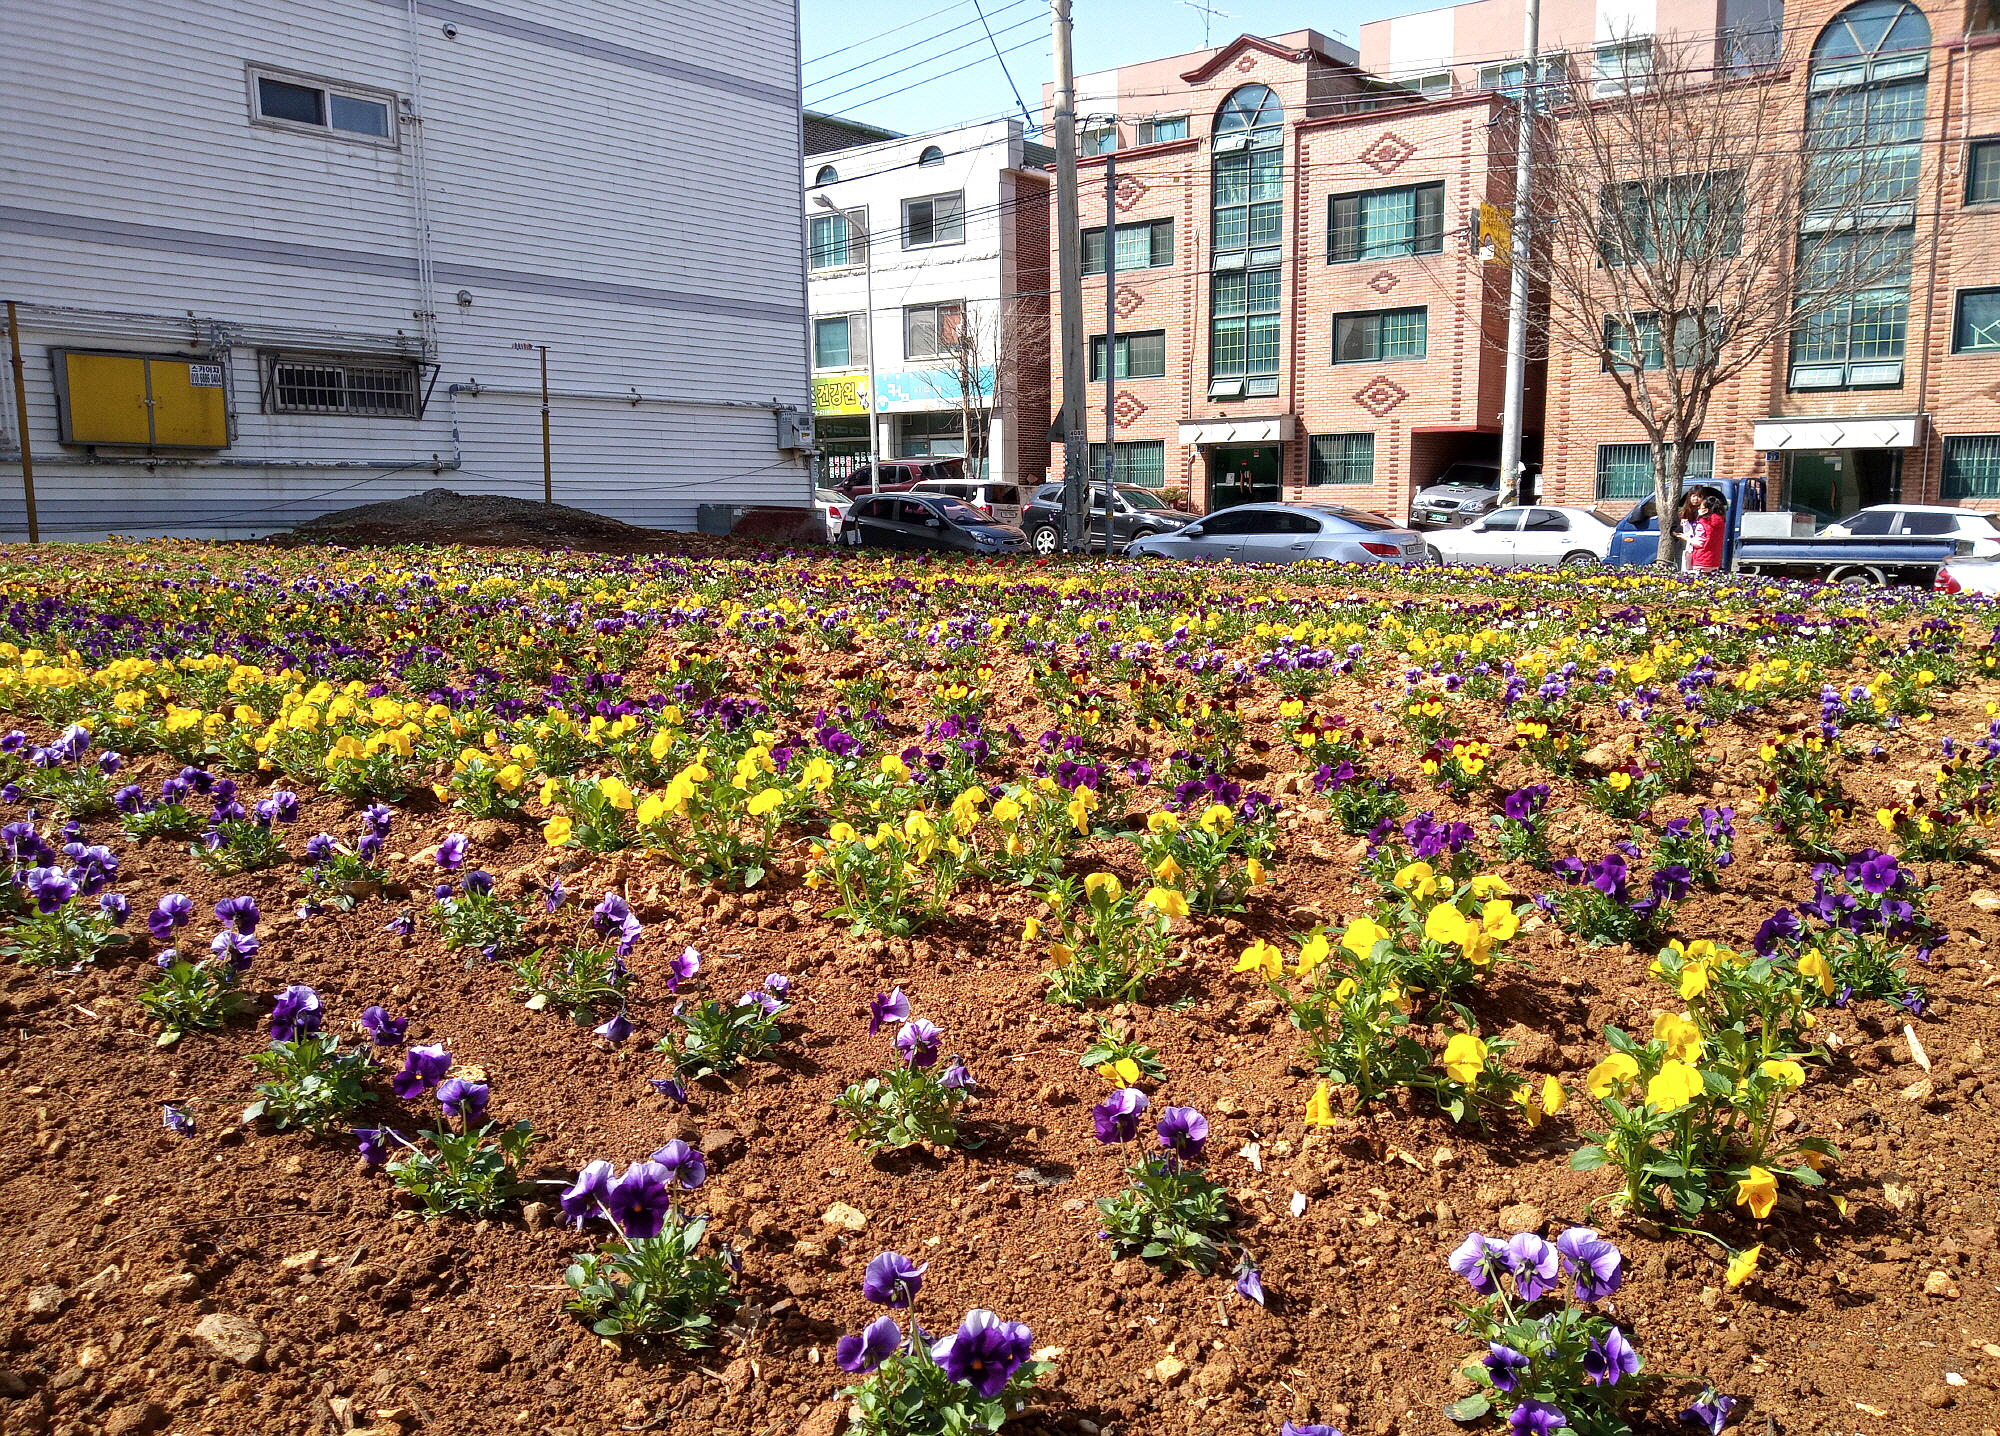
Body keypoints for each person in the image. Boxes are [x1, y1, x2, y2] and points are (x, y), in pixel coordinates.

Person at [1686, 490, 1726, 572]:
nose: (1698, 509)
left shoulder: (1702, 523)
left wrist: (1686, 538)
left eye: (1700, 507)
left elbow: (1699, 543)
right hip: (1715, 560)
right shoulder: (1721, 522)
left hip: (1701, 560)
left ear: (1706, 510)